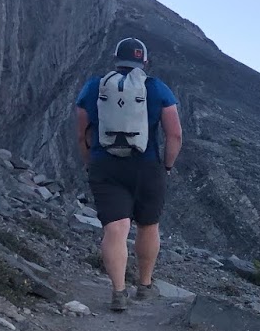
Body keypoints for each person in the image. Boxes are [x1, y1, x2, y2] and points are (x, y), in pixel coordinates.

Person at [73, 37, 182, 312]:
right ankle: (144, 286)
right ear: (144, 61)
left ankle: (118, 292)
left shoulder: (94, 87)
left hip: (105, 165)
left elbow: (82, 134)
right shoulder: (157, 88)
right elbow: (175, 135)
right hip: (146, 165)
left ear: (115, 59)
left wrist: (91, 163)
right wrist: (166, 167)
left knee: (116, 228)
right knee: (148, 225)